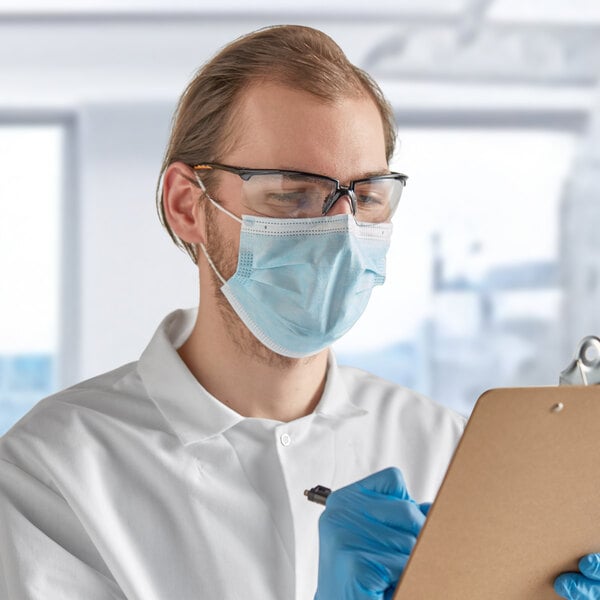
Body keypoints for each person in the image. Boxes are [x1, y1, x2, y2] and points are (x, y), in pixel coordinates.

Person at [0, 24, 593, 600]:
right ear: (188, 206)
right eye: (291, 193)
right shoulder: (53, 473)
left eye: (365, 197)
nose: (338, 231)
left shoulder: (447, 448)